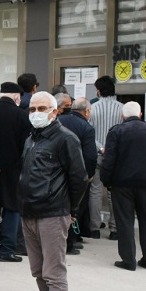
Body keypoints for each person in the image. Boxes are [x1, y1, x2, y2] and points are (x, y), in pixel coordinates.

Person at [17, 92, 87, 291]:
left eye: (42, 108)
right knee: (38, 271)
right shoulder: (31, 138)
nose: (36, 112)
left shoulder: (66, 139)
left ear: (55, 111)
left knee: (54, 272)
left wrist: (70, 211)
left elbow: (79, 179)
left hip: (53, 214)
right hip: (30, 213)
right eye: (32, 108)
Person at [100, 102, 146, 271]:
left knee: (124, 221)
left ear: (122, 116)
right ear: (140, 114)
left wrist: (106, 180)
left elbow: (109, 159)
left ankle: (128, 260)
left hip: (122, 184)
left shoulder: (116, 131)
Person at [0, 82, 32, 262]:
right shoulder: (22, 116)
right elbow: (26, 146)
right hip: (14, 170)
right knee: (12, 210)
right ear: (16, 96)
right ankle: (6, 250)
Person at [57, 98, 97, 254]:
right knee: (75, 208)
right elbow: (90, 156)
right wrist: (89, 175)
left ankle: (59, 240)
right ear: (86, 111)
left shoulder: (58, 120)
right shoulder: (86, 127)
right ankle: (70, 243)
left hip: (57, 171)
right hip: (77, 173)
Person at [88, 75, 123, 240]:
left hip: (97, 155)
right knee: (114, 193)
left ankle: (94, 228)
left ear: (99, 91)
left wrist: (101, 147)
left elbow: (89, 133)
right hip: (116, 158)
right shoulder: (122, 109)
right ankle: (115, 230)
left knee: (95, 192)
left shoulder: (92, 109)